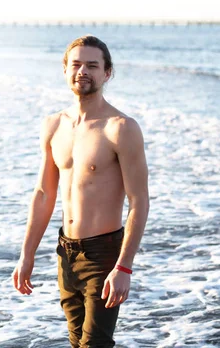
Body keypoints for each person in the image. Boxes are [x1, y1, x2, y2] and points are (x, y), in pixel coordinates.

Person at [12, 35, 150, 347]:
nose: (82, 71)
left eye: (92, 65)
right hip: (65, 253)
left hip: (103, 255)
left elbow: (139, 201)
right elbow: (44, 194)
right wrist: (27, 254)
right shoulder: (54, 125)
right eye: (76, 64)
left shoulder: (121, 128)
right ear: (65, 70)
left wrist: (123, 266)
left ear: (107, 73)